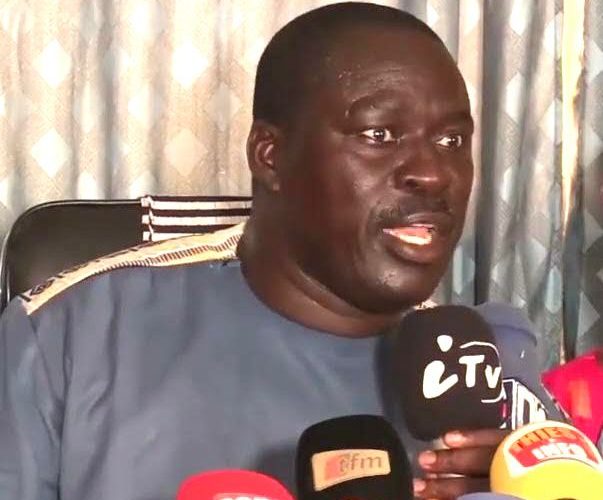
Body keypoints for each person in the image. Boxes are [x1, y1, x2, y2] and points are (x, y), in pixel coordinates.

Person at [0, 3, 560, 499]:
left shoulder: (486, 376)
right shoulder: (69, 335)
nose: (434, 174)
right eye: (379, 135)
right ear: (269, 156)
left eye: (452, 141)